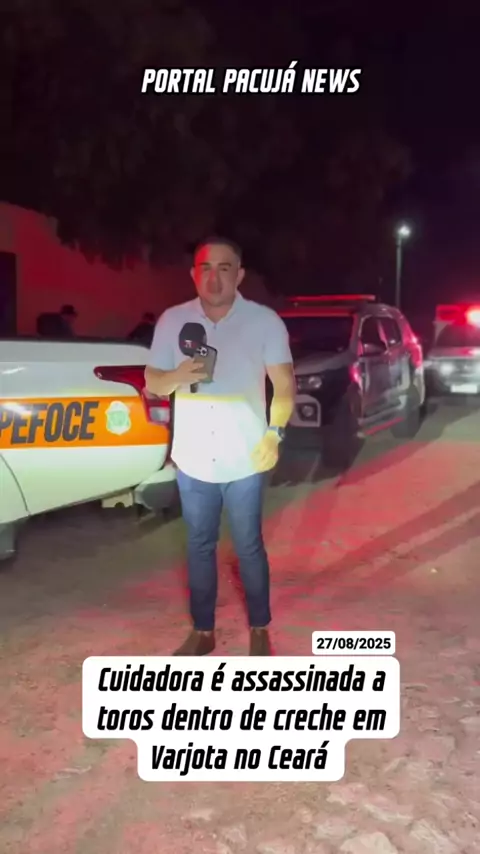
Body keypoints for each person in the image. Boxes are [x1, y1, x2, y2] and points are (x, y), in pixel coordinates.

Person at [145, 237, 295, 656]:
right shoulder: (173, 321)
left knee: (248, 546)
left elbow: (284, 386)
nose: (214, 278)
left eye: (224, 268)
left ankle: (260, 628)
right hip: (193, 458)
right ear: (194, 275)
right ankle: (203, 631)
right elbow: (154, 381)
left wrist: (274, 434)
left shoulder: (264, 322)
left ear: (239, 275)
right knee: (199, 545)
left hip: (246, 455)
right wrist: (178, 375)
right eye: (205, 268)